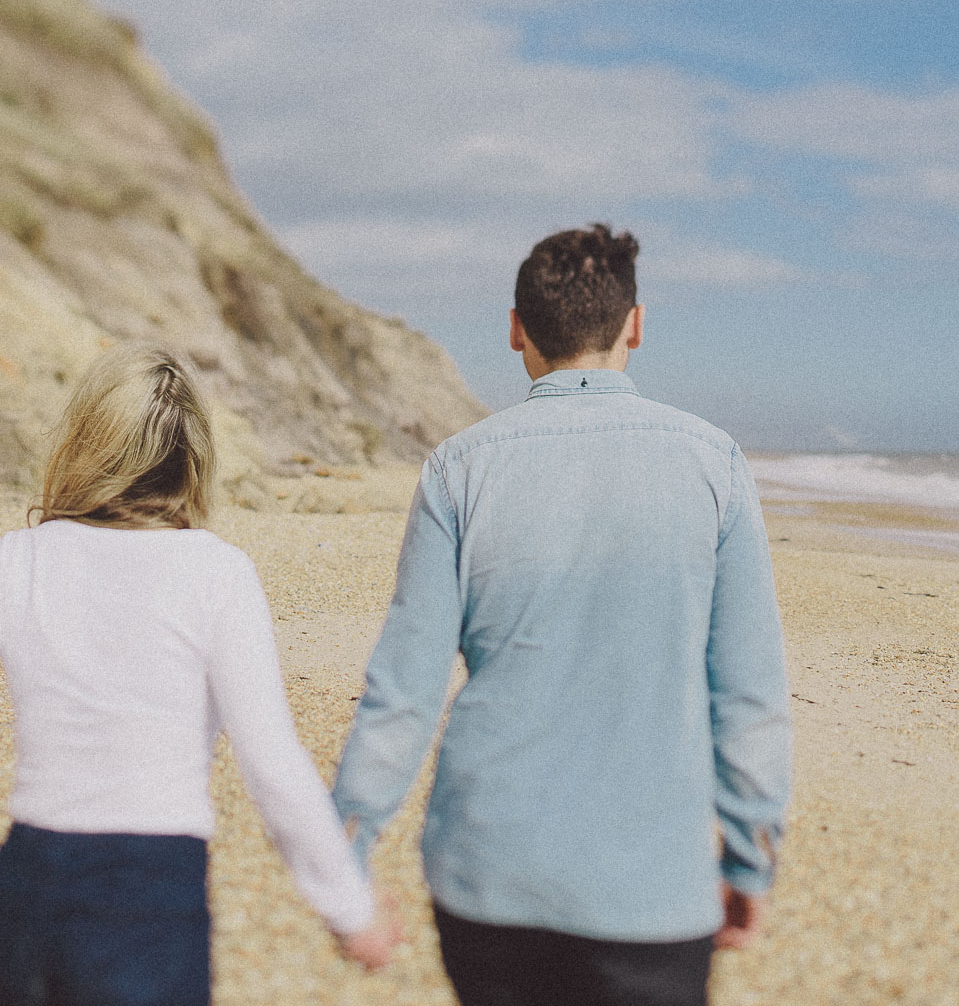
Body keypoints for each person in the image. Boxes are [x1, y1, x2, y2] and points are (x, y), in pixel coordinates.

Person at [331, 224, 793, 1006]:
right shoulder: (712, 463)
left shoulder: (459, 469)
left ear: (517, 331)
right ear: (635, 326)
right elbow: (749, 696)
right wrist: (751, 856)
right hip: (652, 883)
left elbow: (401, 692)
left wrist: (347, 853)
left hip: (488, 870)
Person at [0, 345, 400, 1006]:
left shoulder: (16, 559)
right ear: (197, 456)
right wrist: (351, 914)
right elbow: (271, 762)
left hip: (28, 885)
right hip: (148, 892)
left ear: (85, 443)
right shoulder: (217, 574)